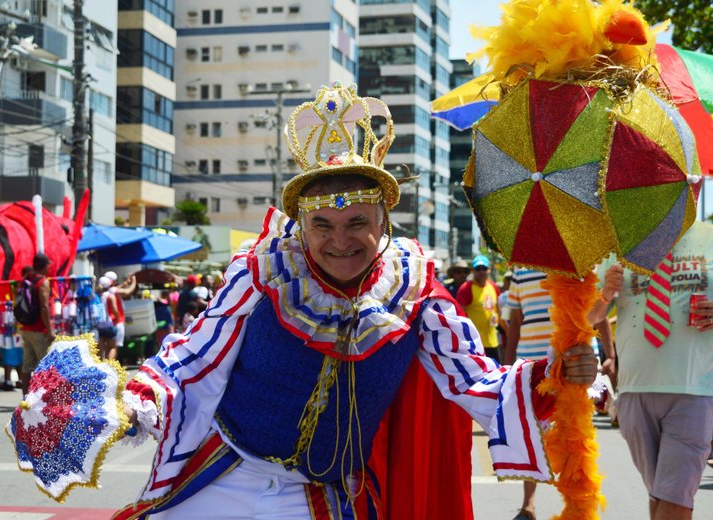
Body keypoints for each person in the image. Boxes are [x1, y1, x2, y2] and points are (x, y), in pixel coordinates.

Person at [111, 84, 598, 519]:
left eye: (356, 224)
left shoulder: (417, 292)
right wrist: (138, 402)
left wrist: (554, 376)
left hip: (321, 497)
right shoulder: (263, 271)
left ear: (383, 222)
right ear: (303, 225)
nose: (338, 240)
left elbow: (474, 382)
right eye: (321, 225)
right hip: (224, 475)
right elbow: (193, 357)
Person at [588, 220, 713, 520]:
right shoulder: (622, 242)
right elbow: (588, 316)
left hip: (694, 389)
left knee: (674, 500)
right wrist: (606, 293)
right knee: (663, 493)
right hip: (634, 392)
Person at [503, 267, 554, 520]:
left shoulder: (574, 262)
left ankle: (578, 504)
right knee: (531, 435)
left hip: (567, 363)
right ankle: (529, 505)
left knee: (574, 436)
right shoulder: (520, 273)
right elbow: (515, 320)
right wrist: (508, 364)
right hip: (530, 366)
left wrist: (607, 353)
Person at [20, 253, 54, 396]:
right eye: (48, 265)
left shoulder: (26, 279)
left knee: (27, 365)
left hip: (26, 328)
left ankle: (26, 397)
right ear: (45, 265)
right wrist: (50, 329)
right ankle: (43, 396)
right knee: (44, 364)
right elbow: (44, 307)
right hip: (39, 330)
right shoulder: (43, 282)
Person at [456, 255, 502, 362]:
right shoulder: (466, 288)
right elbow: (459, 315)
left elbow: (499, 309)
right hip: (475, 344)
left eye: (484, 268)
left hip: (493, 341)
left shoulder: (493, 286)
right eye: (478, 269)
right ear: (473, 271)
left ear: (489, 270)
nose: (481, 272)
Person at [100, 272, 137, 361]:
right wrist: (134, 281)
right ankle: (110, 367)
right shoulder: (112, 293)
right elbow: (128, 291)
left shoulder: (101, 293)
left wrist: (126, 282)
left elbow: (117, 288)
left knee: (103, 348)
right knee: (114, 347)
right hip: (115, 322)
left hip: (102, 323)